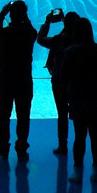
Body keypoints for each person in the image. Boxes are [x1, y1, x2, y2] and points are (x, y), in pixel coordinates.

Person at [60, 17, 97, 184]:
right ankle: (96, 172)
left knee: (79, 135)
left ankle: (77, 172)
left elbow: (63, 77)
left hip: (77, 98)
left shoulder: (70, 52)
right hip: (96, 97)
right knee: (96, 135)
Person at [0, 0, 38, 160]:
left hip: (5, 78)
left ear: (10, 15)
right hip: (24, 79)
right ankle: (22, 145)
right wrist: (24, 16)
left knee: (3, 115)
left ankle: (3, 146)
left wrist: (1, 14)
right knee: (23, 115)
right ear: (24, 15)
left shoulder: (4, 33)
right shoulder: (29, 34)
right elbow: (34, 32)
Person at [37, 9, 79, 155]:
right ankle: (79, 145)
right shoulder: (82, 42)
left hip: (59, 82)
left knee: (62, 114)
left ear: (65, 24)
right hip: (77, 84)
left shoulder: (59, 40)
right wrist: (64, 20)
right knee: (79, 115)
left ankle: (63, 145)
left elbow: (40, 39)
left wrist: (47, 22)